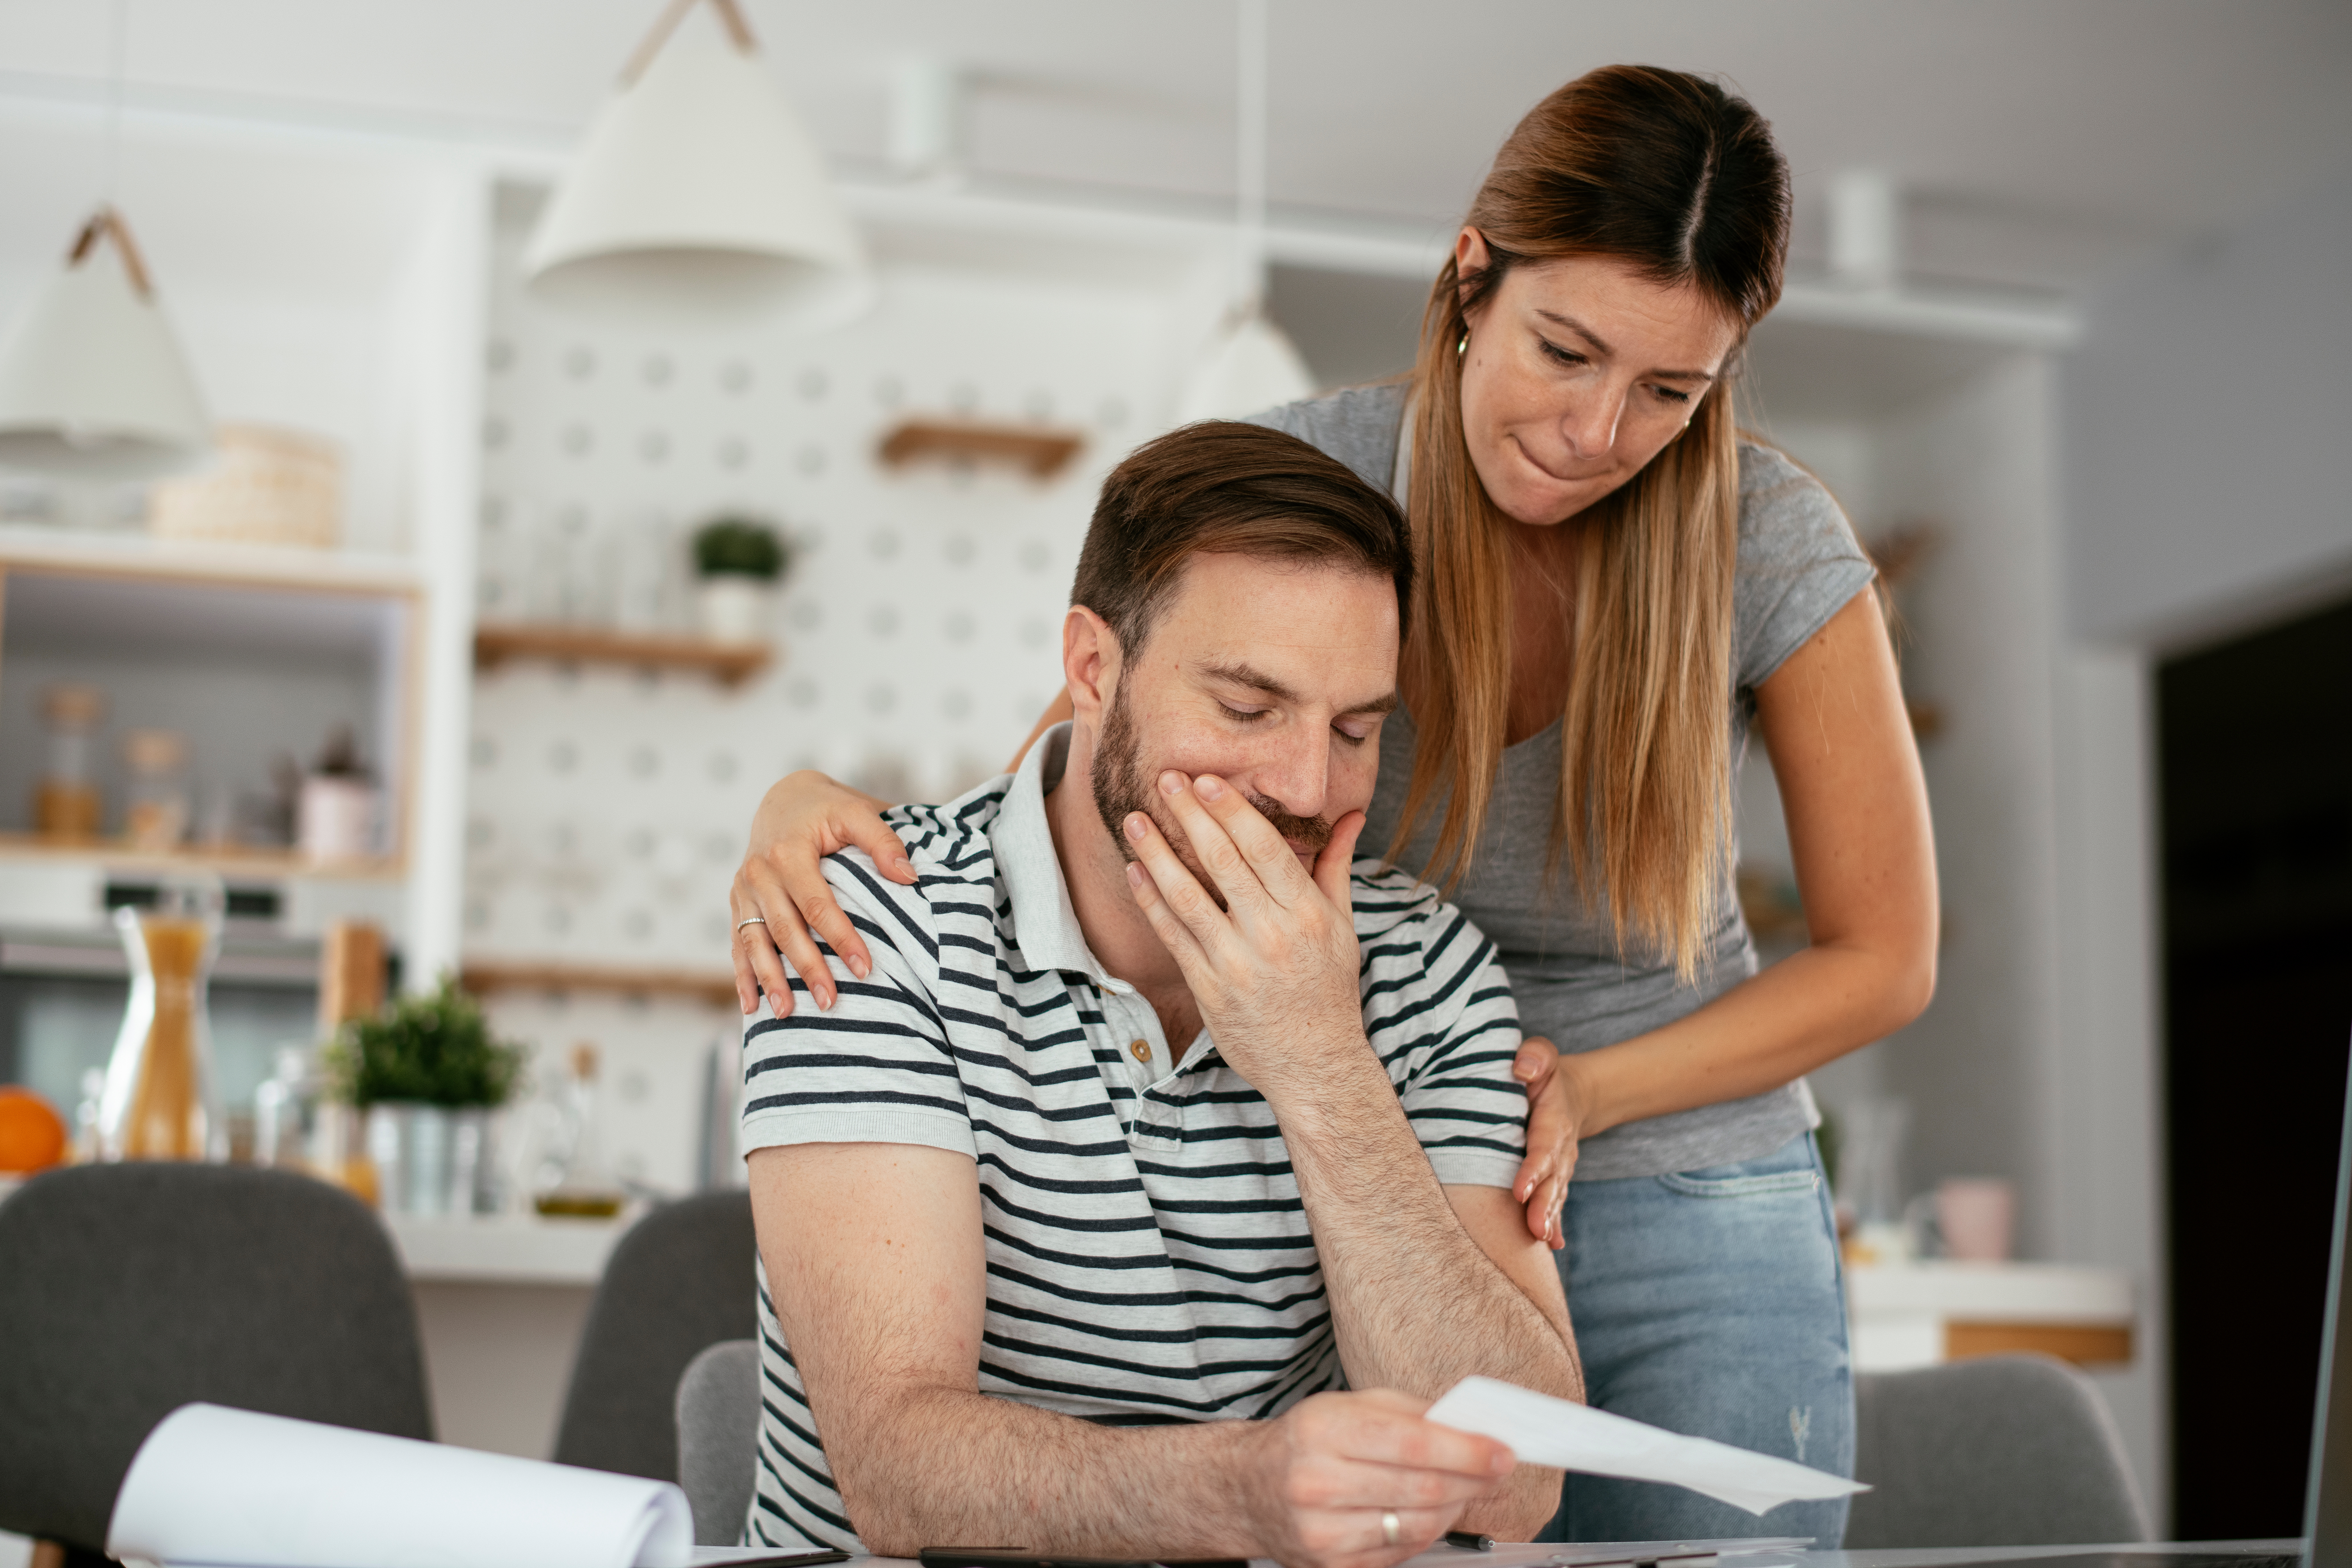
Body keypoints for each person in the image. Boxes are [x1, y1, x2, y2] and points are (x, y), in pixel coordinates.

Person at [731, 64, 1937, 1546]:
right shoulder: (1312, 478)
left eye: (1668, 394)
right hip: (1375, 1077)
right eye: (1565, 351)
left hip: (1625, 1134)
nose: (1596, 430)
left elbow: (1887, 955)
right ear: (1471, 279)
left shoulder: (1766, 539)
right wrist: (820, 818)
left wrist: (1579, 1090)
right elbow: (1089, 772)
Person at [736, 420, 1582, 1561]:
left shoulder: (1428, 967)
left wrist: (1321, 1064)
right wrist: (1243, 1493)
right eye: (1247, 708)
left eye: (1355, 728)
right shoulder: (874, 922)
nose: (1306, 787)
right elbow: (897, 1470)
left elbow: (1517, 1480)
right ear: (1093, 668)